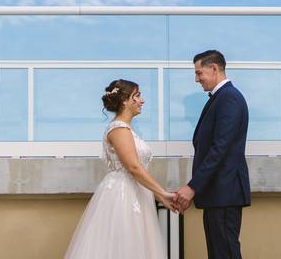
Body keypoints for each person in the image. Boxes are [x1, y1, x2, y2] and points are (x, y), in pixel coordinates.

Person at [64, 79, 177, 259]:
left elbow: (138, 169)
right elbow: (133, 167)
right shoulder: (118, 129)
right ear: (125, 100)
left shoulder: (128, 130)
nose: (142, 100)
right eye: (137, 95)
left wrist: (158, 195)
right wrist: (163, 194)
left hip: (137, 193)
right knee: (123, 245)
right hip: (123, 195)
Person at [174, 50, 250, 259]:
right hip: (217, 193)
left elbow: (220, 148)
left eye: (199, 73)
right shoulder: (222, 98)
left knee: (224, 252)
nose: (196, 79)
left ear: (214, 68)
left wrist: (192, 187)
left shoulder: (229, 98)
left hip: (224, 192)